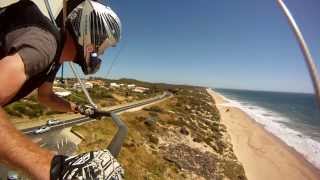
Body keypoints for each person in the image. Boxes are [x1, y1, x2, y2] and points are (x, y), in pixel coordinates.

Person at [0, 0, 123, 179]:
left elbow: (46, 96)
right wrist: (52, 167)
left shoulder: (54, 59)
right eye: (102, 46)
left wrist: (81, 109)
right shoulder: (45, 46)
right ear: (89, 36)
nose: (101, 54)